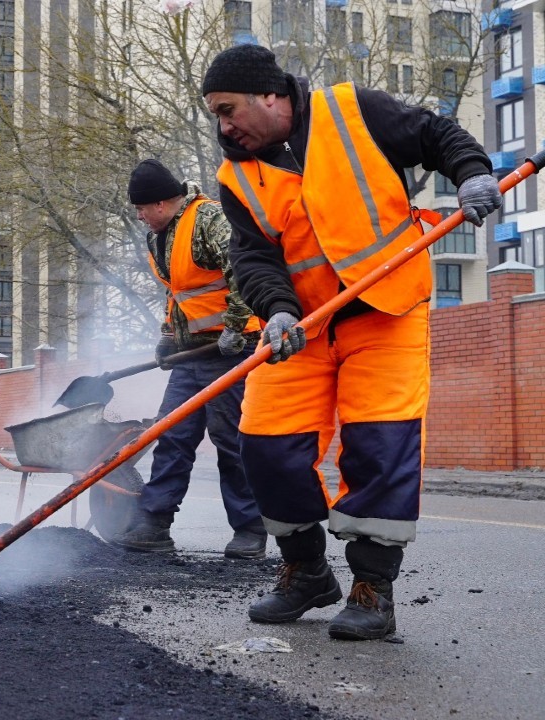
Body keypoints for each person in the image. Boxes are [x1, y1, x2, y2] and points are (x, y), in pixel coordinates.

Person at [202, 45, 502, 639]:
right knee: (264, 446)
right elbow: (255, 258)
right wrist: (279, 311)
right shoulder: (236, 176)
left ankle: (372, 590)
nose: (224, 124)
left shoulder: (352, 112)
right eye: (216, 113)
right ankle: (307, 573)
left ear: (271, 95)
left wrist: (473, 174)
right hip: (301, 331)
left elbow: (436, 134)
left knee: (378, 447)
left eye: (229, 108)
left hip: (386, 314)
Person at [110, 159, 267, 559]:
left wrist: (235, 326)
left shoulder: (209, 221)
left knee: (230, 440)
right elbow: (179, 294)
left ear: (162, 202)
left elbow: (242, 271)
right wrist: (168, 336)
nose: (140, 217)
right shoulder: (159, 236)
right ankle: (154, 524)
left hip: (232, 349)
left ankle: (250, 530)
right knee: (173, 436)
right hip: (192, 353)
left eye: (142, 209)